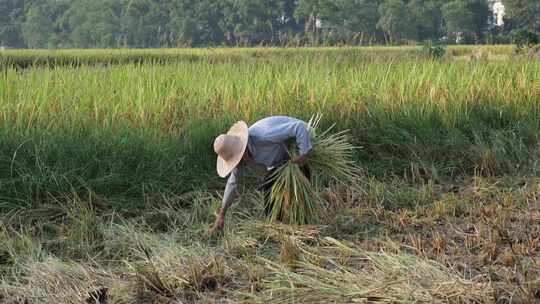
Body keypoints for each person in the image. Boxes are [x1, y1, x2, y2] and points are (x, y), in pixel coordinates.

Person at [211, 116, 312, 231]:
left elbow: (299, 127)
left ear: (243, 152)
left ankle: (305, 229)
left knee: (299, 193)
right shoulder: (241, 159)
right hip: (281, 162)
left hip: (300, 145)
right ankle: (277, 227)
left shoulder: (264, 135)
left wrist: (303, 155)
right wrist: (222, 214)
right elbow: (232, 184)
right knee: (269, 187)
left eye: (237, 160)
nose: (238, 165)